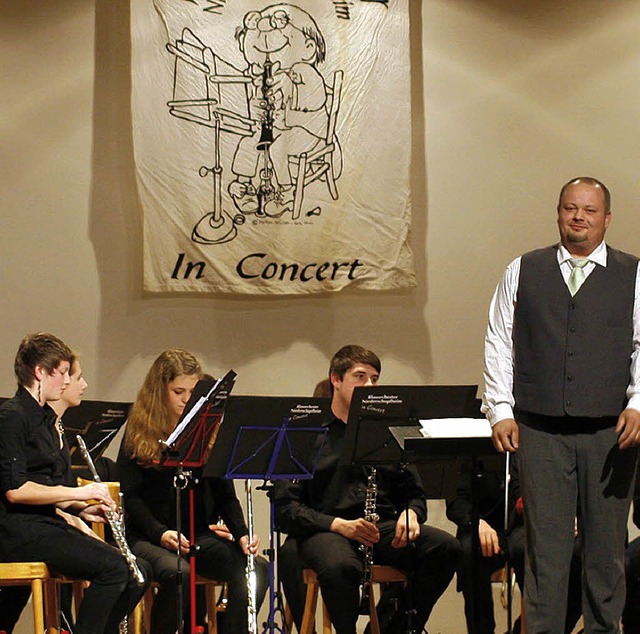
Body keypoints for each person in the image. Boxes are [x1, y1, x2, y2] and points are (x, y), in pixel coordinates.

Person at [482, 176, 640, 633]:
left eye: (589, 210)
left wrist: (637, 402)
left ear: (606, 218)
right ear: (558, 213)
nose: (578, 217)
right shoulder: (523, 269)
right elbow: (498, 341)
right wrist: (501, 410)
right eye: (571, 208)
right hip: (540, 428)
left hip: (610, 432)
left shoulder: (632, 274)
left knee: (605, 551)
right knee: (545, 551)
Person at [274, 344, 461, 634]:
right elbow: (286, 509)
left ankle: (393, 628)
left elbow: (415, 493)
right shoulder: (305, 432)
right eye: (360, 377)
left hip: (379, 528)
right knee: (340, 567)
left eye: (374, 378)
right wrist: (340, 525)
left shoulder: (389, 430)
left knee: (445, 548)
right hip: (327, 530)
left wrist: (411, 513)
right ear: (336, 380)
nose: (369, 386)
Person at [0, 333, 146, 634]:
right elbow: (16, 490)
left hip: (42, 525)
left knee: (136, 573)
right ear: (40, 371)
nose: (67, 381)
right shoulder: (12, 417)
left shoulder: (46, 422)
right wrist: (83, 491)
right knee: (114, 568)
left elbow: (52, 487)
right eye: (63, 373)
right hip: (15, 530)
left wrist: (83, 508)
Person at [117, 349, 268, 634]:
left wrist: (242, 533)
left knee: (254, 568)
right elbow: (132, 497)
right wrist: (160, 533)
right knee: (179, 573)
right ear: (159, 392)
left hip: (196, 535)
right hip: (149, 536)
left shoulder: (207, 430)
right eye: (178, 391)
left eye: (192, 391)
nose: (187, 399)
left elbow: (225, 494)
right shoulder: (138, 431)